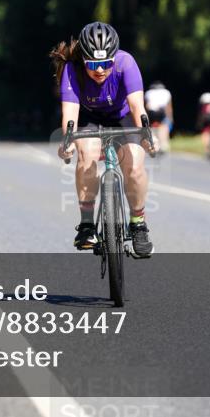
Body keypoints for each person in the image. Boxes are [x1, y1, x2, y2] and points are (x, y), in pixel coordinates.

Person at [51, 21, 155, 258]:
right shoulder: (72, 69)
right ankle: (87, 225)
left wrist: (147, 137)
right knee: (86, 155)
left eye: (106, 63)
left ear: (114, 58)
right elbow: (70, 114)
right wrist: (67, 142)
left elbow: (137, 106)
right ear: (83, 59)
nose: (99, 70)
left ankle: (138, 224)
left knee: (135, 166)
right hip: (90, 118)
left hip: (122, 117)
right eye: (93, 64)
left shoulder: (126, 62)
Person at [144, 81, 173, 153]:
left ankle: (153, 143)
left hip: (151, 112)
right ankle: (163, 145)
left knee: (151, 127)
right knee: (163, 126)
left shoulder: (148, 93)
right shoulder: (166, 92)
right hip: (161, 111)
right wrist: (170, 118)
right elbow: (168, 107)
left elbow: (146, 106)